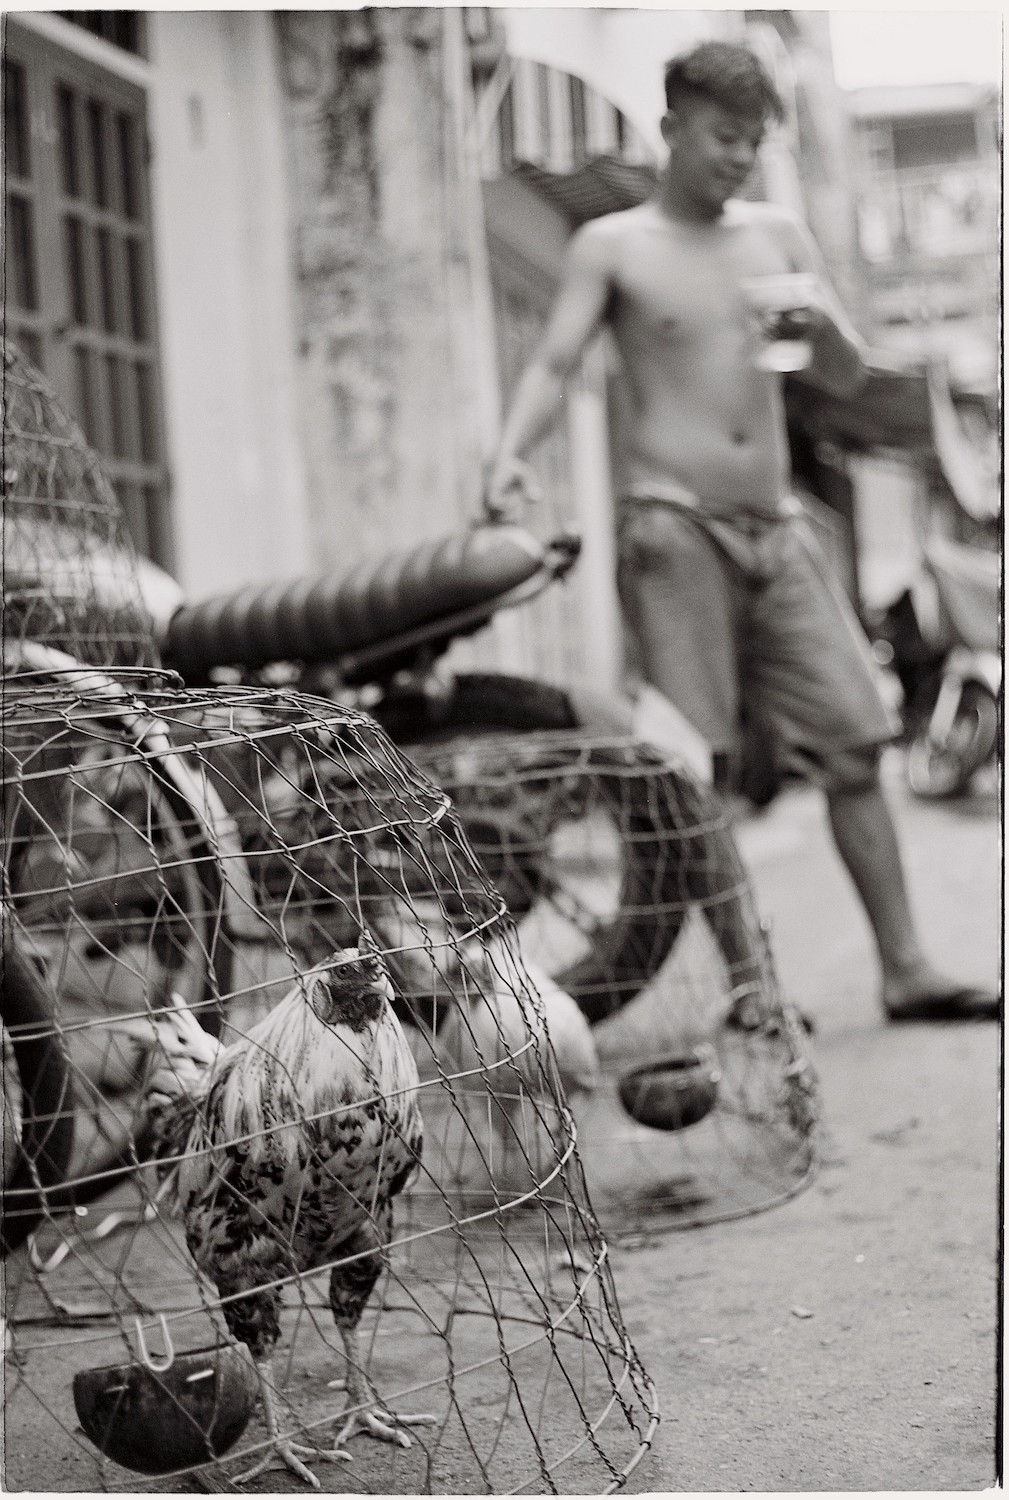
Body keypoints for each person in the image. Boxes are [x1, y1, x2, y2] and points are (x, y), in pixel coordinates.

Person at [487, 40, 997, 1024]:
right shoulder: (615, 245)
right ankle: (753, 986)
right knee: (698, 767)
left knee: (855, 738)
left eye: (754, 142)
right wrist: (512, 453)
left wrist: (825, 323)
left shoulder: (779, 237)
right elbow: (553, 365)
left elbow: (842, 378)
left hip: (776, 527)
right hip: (672, 525)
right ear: (673, 128)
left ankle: (904, 968)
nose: (738, 159)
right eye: (724, 138)